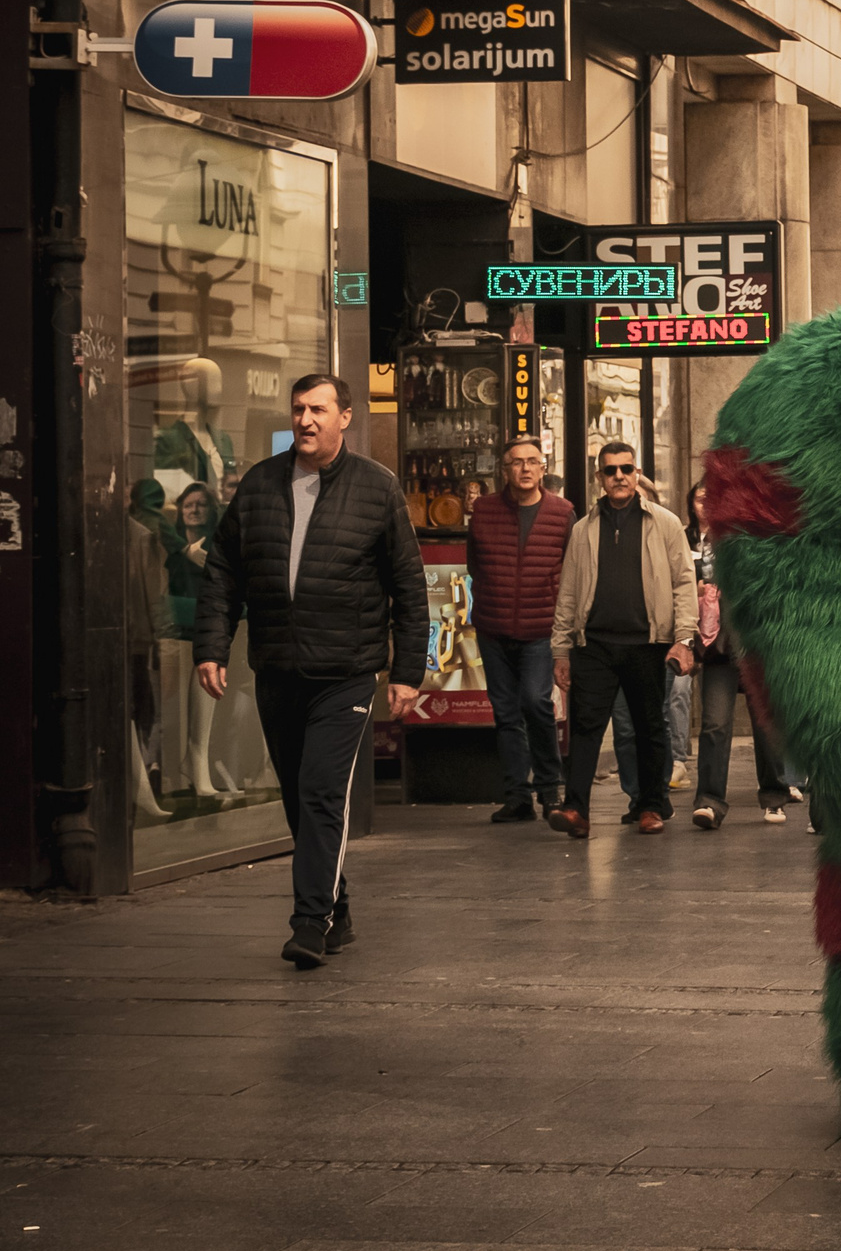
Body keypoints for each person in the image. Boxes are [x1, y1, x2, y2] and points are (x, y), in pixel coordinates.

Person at [193, 374, 426, 968]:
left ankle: (309, 922)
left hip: (344, 672)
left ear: (345, 417)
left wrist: (407, 671)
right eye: (298, 410)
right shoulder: (259, 485)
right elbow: (223, 572)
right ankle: (336, 908)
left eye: (318, 409)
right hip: (277, 667)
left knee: (323, 792)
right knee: (300, 798)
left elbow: (408, 584)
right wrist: (211, 646)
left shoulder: (377, 489)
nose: (306, 420)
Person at [547, 441, 697, 839]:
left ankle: (650, 806)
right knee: (585, 726)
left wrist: (684, 638)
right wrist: (561, 649)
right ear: (600, 478)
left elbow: (685, 582)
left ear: (636, 474)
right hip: (593, 643)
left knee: (649, 726)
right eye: (610, 470)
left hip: (648, 642)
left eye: (626, 469)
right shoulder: (583, 530)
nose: (619, 476)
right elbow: (568, 592)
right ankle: (576, 809)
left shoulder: (663, 523)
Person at [465, 436, 574, 822]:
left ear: (543, 468)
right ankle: (517, 797)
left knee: (535, 702)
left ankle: (550, 789)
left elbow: (572, 572)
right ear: (504, 469)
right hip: (493, 627)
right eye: (516, 462)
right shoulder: (484, 509)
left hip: (541, 628)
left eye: (532, 461)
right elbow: (474, 564)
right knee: (506, 713)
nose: (525, 468)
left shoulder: (563, 512)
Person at [685, 478, 792, 828]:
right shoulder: (698, 539)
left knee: (764, 723)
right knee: (714, 723)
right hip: (717, 645)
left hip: (754, 641)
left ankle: (774, 794)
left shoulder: (755, 535)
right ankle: (709, 802)